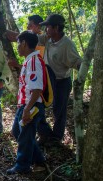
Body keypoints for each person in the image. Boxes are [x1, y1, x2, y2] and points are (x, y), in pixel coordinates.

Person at [7, 14, 82, 145]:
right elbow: (27, 39)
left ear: (57, 28)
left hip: (61, 81)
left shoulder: (67, 45)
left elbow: (78, 63)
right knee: (38, 106)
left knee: (59, 110)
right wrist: (4, 32)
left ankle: (56, 137)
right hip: (46, 81)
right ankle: (45, 134)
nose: (46, 29)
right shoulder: (47, 39)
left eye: (48, 26)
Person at [6, 31, 46, 174]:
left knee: (24, 135)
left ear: (23, 43)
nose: (17, 47)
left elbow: (36, 89)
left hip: (31, 105)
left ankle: (22, 166)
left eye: (18, 43)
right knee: (18, 132)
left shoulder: (34, 61)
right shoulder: (30, 60)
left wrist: (27, 109)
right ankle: (39, 161)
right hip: (25, 104)